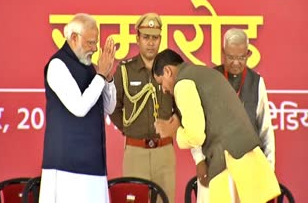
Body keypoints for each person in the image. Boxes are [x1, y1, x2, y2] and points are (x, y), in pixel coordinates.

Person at [153, 49, 280, 203]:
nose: (164, 90)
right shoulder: (206, 73)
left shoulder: (183, 83)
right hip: (249, 162)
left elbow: (196, 136)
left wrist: (172, 131)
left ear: (167, 71)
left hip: (230, 163)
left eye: (161, 83)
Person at [191, 28, 276, 202]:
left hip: (249, 170)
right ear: (222, 53)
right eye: (231, 57)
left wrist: (267, 170)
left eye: (241, 57)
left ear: (248, 54)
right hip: (215, 166)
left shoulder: (257, 82)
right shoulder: (208, 80)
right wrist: (199, 159)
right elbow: (195, 124)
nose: (236, 63)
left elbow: (265, 129)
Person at [39, 13, 116, 203]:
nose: (94, 48)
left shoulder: (90, 68)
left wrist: (107, 77)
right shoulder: (57, 65)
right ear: (74, 38)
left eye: (96, 42)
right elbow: (79, 107)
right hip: (66, 167)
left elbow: (109, 108)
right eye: (90, 43)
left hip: (93, 165)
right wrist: (100, 76)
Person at [109, 13, 176, 202]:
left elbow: (181, 108)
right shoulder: (125, 70)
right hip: (135, 151)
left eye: (155, 38)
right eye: (146, 37)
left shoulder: (171, 70)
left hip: (164, 152)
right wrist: (128, 128)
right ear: (137, 38)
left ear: (160, 39)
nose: (150, 43)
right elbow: (113, 106)